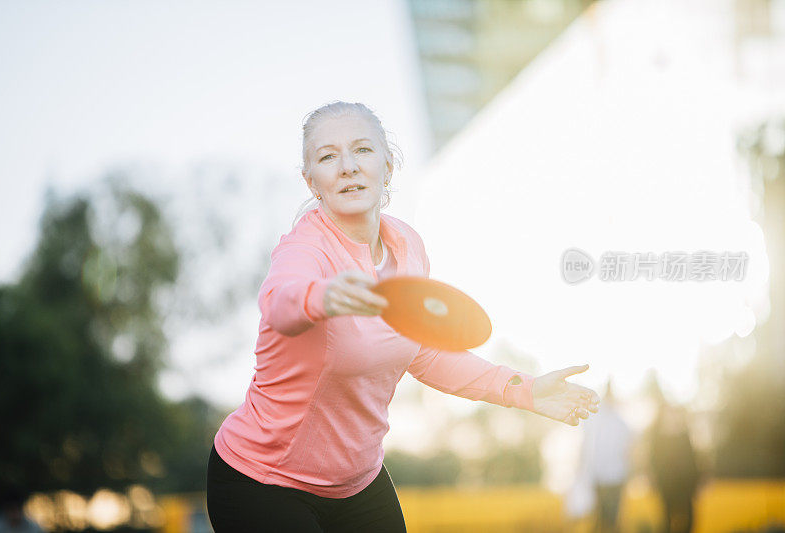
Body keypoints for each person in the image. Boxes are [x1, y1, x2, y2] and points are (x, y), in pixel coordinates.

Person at [205, 101, 601, 532]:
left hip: (358, 484)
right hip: (262, 482)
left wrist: (522, 390)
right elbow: (279, 303)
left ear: (388, 167)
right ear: (311, 181)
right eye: (327, 157)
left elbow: (425, 353)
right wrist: (322, 297)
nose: (348, 167)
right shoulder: (305, 250)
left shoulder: (408, 247)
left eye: (362, 150)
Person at [577, 379, 633, 533]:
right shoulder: (610, 422)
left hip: (612, 477)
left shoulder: (617, 422)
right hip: (603, 477)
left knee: (607, 519)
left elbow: (627, 452)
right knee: (604, 519)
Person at [649, 402, 700, 533]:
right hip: (666, 486)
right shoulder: (658, 438)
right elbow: (654, 462)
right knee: (666, 519)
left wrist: (696, 482)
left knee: (689, 518)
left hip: (685, 486)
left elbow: (692, 461)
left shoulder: (684, 437)